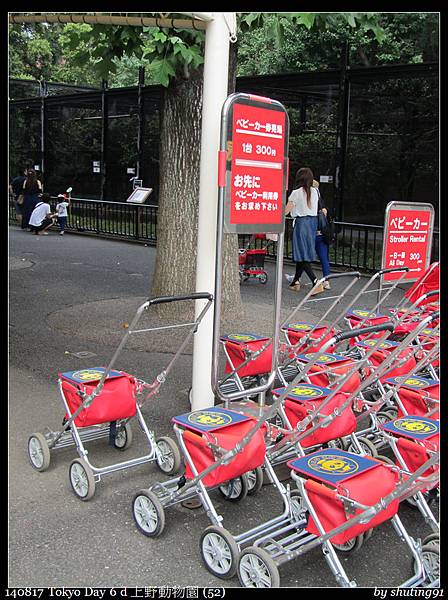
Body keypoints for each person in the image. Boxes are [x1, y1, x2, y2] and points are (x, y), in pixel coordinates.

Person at [285, 167, 324, 295]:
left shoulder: (296, 193)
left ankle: (315, 281)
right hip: (312, 224)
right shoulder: (315, 192)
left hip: (301, 224)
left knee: (302, 254)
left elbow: (286, 211)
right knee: (304, 253)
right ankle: (295, 281)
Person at [314, 181, 332, 290]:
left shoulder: (311, 203)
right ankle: (327, 280)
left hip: (312, 234)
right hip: (323, 235)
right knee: (324, 258)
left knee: (304, 258)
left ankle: (297, 278)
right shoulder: (322, 204)